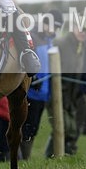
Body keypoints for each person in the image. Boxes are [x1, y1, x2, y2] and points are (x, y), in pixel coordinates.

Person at [46, 20, 86, 156]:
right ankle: (51, 156)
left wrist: (85, 85)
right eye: (81, 29)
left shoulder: (84, 44)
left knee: (72, 128)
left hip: (73, 94)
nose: (83, 33)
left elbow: (84, 68)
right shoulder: (60, 43)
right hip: (57, 91)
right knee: (65, 127)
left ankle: (64, 155)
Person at [21, 10, 63, 159]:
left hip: (43, 94)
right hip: (31, 93)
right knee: (26, 128)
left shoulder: (49, 40)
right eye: (51, 25)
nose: (53, 30)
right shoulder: (33, 37)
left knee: (33, 129)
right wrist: (32, 81)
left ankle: (26, 158)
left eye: (56, 27)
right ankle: (22, 158)